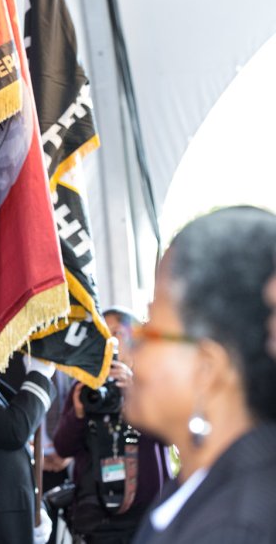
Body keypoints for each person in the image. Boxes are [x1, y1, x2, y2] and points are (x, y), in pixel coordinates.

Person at [128, 206, 276, 543]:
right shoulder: (205, 486)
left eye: (149, 331)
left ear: (207, 369)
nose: (130, 351)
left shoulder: (234, 528)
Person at [54, 309, 170, 543]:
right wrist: (78, 413)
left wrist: (135, 391)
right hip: (97, 520)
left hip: (147, 517)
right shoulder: (86, 387)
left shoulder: (150, 381)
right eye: (103, 334)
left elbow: (169, 434)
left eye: (117, 333)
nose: (111, 342)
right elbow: (63, 447)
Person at [0, 352, 56, 544]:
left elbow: (22, 447)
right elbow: (14, 430)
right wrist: (39, 376)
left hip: (16, 518)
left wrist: (37, 504)